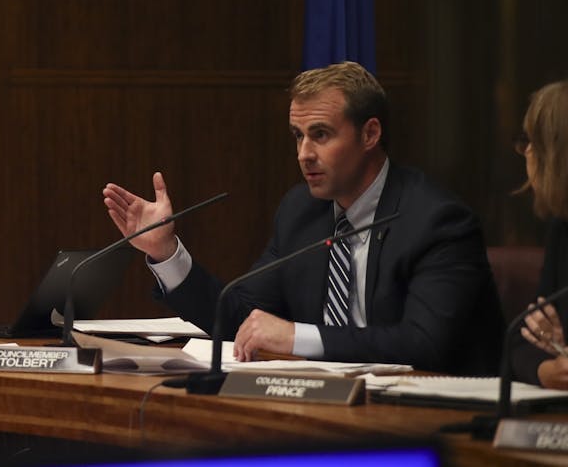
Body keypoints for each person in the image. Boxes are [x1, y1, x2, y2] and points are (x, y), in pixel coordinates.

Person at [103, 61, 502, 374]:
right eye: (298, 136)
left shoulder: (436, 221)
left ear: (370, 134)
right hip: (328, 409)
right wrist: (166, 252)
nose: (304, 154)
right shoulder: (301, 211)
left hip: (435, 421)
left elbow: (425, 344)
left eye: (321, 134)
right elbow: (239, 317)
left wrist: (299, 337)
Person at [509, 79, 568, 386]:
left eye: (533, 141)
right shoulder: (562, 229)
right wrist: (546, 371)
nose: (527, 151)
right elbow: (519, 342)